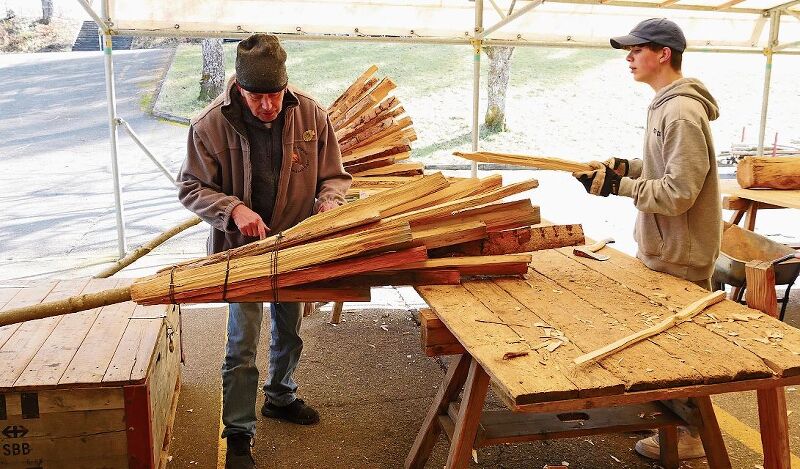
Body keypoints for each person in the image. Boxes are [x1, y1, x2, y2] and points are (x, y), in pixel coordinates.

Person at [176, 33, 352, 468]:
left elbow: (335, 175)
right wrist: (233, 209)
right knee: (242, 342)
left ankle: (280, 395)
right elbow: (191, 188)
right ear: (239, 88)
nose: (268, 107)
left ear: (286, 87)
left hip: (294, 243)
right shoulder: (210, 124)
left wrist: (330, 200)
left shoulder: (310, 113)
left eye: (275, 96)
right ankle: (238, 431)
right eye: (258, 98)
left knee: (290, 330)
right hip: (241, 251)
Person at [573, 18, 721, 461]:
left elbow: (679, 193)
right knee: (663, 346)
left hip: (681, 251)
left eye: (638, 49)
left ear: (664, 54)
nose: (629, 57)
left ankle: (692, 438)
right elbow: (663, 168)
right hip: (664, 245)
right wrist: (626, 166)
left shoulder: (680, 111)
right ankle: (676, 427)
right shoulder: (664, 104)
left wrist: (614, 187)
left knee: (681, 350)